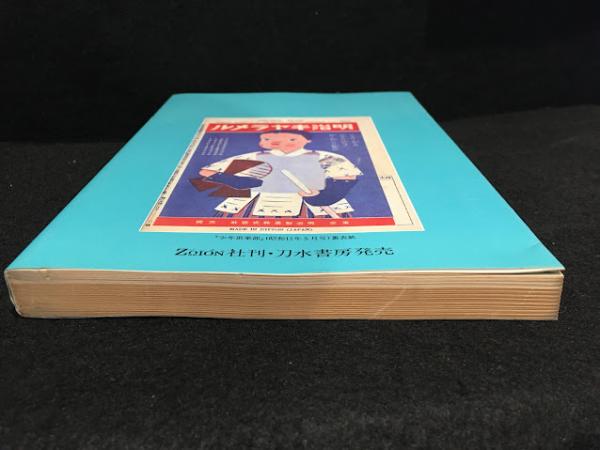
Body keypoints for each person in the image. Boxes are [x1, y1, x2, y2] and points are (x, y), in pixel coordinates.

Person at [197, 130, 362, 218]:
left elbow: (347, 177)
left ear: (307, 140)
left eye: (292, 139)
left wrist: (323, 195)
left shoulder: (325, 157)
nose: (283, 143)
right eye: (274, 140)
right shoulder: (253, 156)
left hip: (314, 203)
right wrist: (237, 181)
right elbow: (206, 171)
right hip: (258, 201)